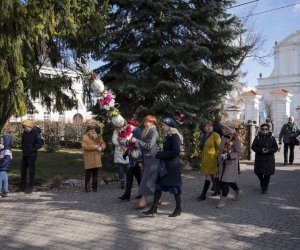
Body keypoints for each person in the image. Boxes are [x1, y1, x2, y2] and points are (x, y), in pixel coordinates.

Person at [143, 118, 183, 217]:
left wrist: (160, 154)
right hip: (165, 166)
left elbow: (176, 152)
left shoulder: (174, 136)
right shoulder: (167, 136)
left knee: (175, 187)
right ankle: (154, 208)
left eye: (164, 125)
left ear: (170, 127)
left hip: (172, 167)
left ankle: (178, 208)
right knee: (158, 186)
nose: (162, 126)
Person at [131, 115, 159, 209]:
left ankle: (143, 202)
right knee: (151, 180)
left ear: (152, 122)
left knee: (146, 180)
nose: (145, 123)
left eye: (147, 122)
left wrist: (136, 141)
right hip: (147, 158)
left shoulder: (153, 131)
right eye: (145, 122)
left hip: (152, 159)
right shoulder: (147, 130)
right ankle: (157, 198)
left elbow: (148, 146)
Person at [217, 121, 243, 208]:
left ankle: (223, 200)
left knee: (225, 181)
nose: (222, 129)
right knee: (229, 181)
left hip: (230, 164)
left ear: (228, 129)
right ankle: (238, 191)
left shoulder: (235, 139)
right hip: (222, 163)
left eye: (223, 128)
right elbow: (220, 150)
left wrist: (228, 155)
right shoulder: (223, 137)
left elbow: (239, 153)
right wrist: (218, 159)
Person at [119, 119, 143, 201]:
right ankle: (139, 194)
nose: (128, 127)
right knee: (138, 177)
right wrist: (125, 153)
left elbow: (134, 144)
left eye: (130, 126)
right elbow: (130, 145)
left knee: (131, 177)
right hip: (134, 158)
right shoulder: (133, 132)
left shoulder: (138, 132)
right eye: (128, 126)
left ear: (134, 126)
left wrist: (126, 142)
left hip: (136, 159)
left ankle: (128, 195)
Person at [251, 123, 278, 194]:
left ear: (268, 130)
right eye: (263, 129)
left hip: (269, 159)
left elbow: (275, 148)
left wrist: (269, 150)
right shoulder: (258, 137)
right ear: (261, 130)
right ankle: (262, 182)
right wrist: (261, 150)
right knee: (258, 173)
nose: (264, 130)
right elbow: (253, 147)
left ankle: (264, 188)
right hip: (259, 159)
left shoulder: (272, 138)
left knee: (267, 174)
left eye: (266, 129)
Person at [18, 120, 43, 193]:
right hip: (25, 154)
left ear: (29, 126)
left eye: (25, 127)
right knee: (23, 170)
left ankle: (30, 186)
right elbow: (22, 141)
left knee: (31, 171)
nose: (24, 129)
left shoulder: (36, 133)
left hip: (31, 155)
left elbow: (39, 144)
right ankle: (22, 186)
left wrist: (32, 150)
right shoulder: (25, 133)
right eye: (24, 128)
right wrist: (22, 147)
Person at [198, 121, 221, 201]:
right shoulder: (203, 135)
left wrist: (216, 156)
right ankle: (218, 190)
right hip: (205, 159)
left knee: (208, 177)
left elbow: (219, 148)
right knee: (212, 177)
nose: (208, 128)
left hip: (212, 160)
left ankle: (203, 195)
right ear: (204, 128)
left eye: (210, 126)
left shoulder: (216, 135)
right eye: (206, 126)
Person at [82, 122, 106, 192]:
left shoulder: (98, 136)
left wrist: (102, 148)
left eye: (94, 129)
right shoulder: (85, 137)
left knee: (95, 174)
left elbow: (103, 143)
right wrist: (94, 146)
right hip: (89, 159)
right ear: (88, 130)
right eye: (91, 129)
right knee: (88, 175)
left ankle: (94, 187)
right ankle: (87, 187)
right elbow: (84, 147)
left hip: (97, 158)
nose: (93, 131)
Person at [112, 123, 130, 189]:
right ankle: (122, 181)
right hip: (119, 151)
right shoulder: (115, 132)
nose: (121, 127)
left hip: (126, 150)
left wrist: (125, 142)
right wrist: (119, 143)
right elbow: (114, 140)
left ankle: (129, 181)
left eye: (122, 126)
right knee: (120, 168)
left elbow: (129, 138)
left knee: (128, 167)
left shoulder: (128, 130)